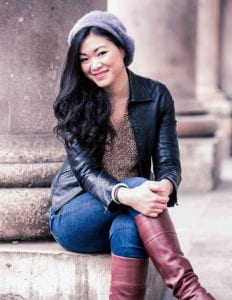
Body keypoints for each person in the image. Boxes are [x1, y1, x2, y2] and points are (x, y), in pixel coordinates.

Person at [49, 10, 215, 300]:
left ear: (122, 49)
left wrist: (166, 184)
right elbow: (86, 175)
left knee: (131, 220)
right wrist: (126, 193)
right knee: (139, 186)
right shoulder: (74, 103)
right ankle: (191, 291)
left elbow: (168, 162)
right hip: (76, 215)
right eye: (84, 59)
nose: (94, 65)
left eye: (101, 52)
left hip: (129, 208)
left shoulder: (156, 95)